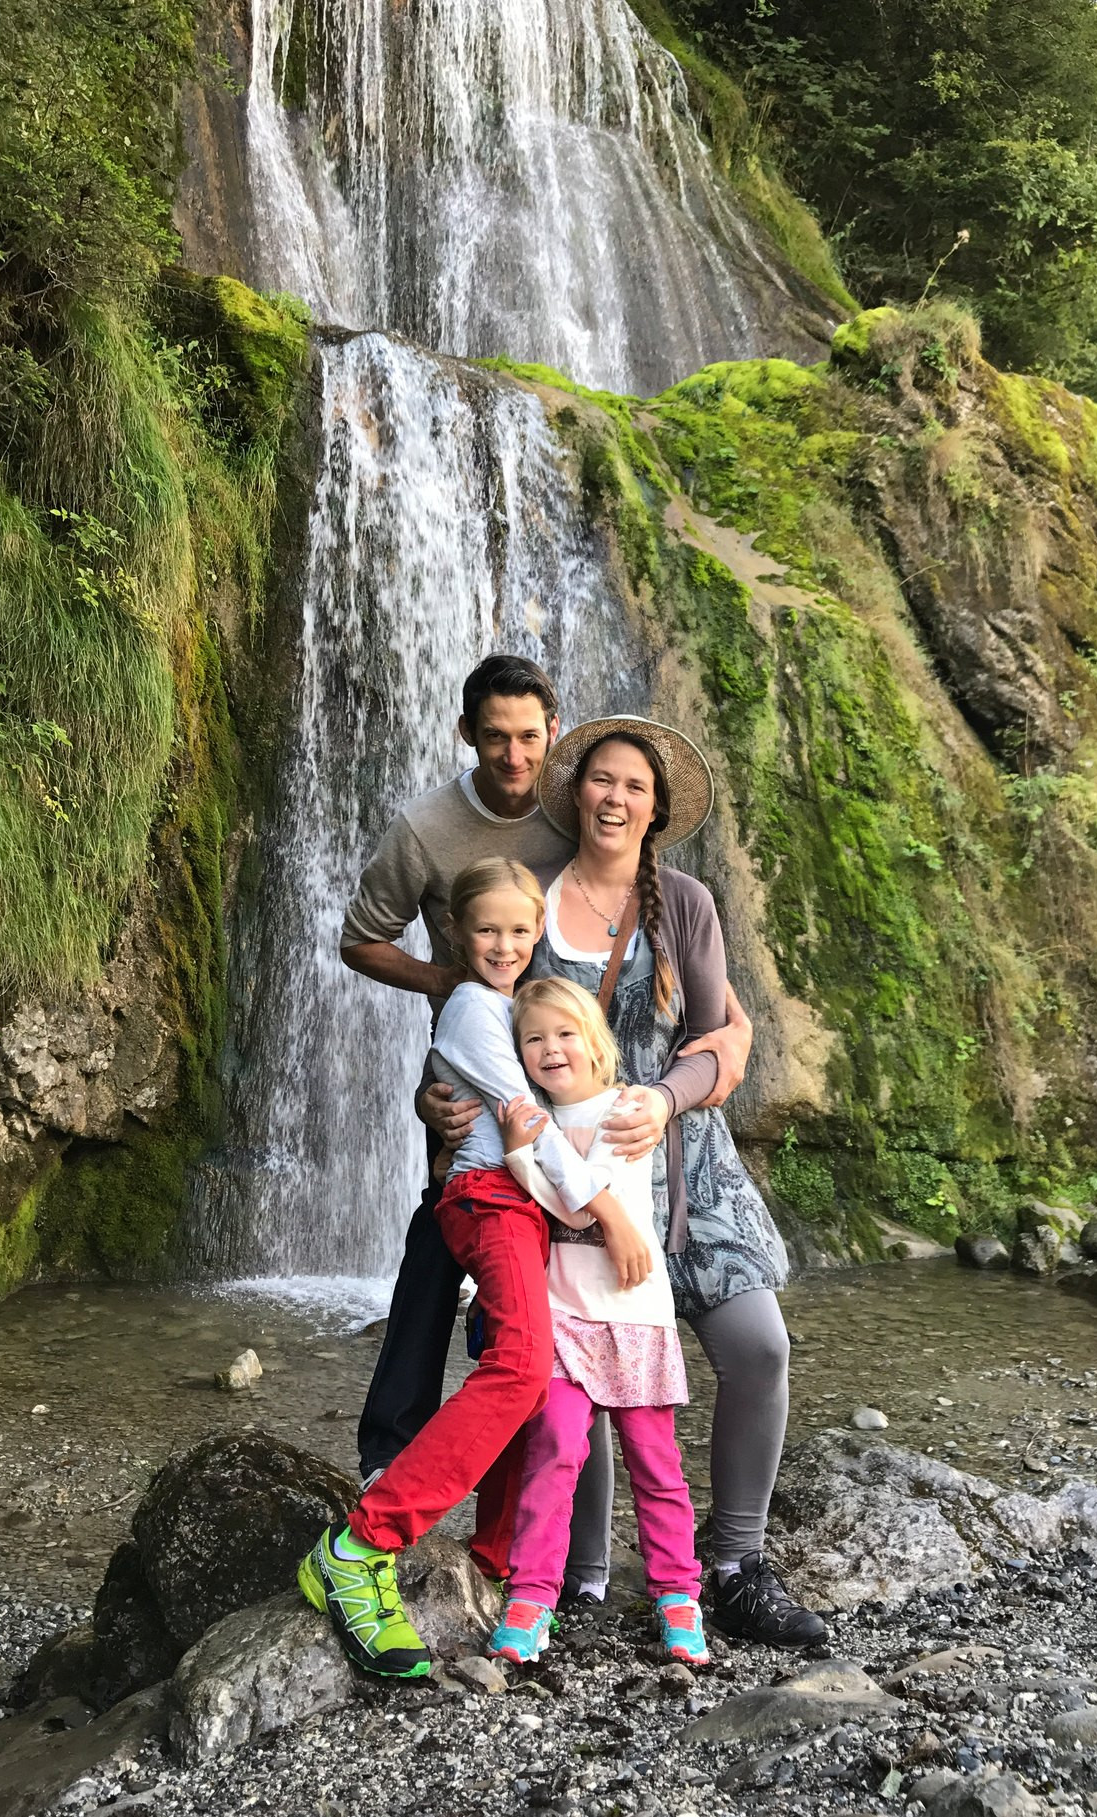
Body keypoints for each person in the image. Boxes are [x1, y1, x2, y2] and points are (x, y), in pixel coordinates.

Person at [342, 655, 751, 1485]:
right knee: (437, 1253)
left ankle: (528, 1506)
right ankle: (388, 1458)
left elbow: (658, 927)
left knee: (524, 1310)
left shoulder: (578, 822)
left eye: (530, 737)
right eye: (496, 737)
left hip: (568, 1101)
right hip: (478, 1083)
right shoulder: (425, 829)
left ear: (553, 738)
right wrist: (443, 986)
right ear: (467, 735)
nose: (514, 756)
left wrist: (720, 1047)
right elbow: (359, 939)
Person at [302, 859, 653, 1679]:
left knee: (533, 1369)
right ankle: (360, 1546)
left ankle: (495, 1563)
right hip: (489, 1198)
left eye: (519, 930)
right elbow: (523, 1117)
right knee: (522, 1367)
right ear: (457, 935)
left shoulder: (513, 1010)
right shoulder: (468, 1006)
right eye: (486, 930)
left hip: (524, 1202)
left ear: (539, 934)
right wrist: (609, 1214)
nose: (503, 944)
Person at [531, 716, 828, 1649]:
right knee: (580, 1372)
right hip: (574, 1177)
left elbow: (716, 1042)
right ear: (578, 789)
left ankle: (734, 1561)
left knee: (760, 1347)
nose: (616, 798)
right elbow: (501, 1046)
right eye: (603, 780)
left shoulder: (685, 904)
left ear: (655, 812)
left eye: (636, 788)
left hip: (685, 1164)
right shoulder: (530, 899)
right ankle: (580, 1580)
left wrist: (663, 1098)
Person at [488, 976, 710, 1670]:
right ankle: (531, 1598)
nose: (552, 1049)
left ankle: (678, 1595)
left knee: (656, 1464)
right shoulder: (531, 1120)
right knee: (553, 1449)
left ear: (595, 1043)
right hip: (563, 1318)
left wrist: (523, 1153)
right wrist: (523, 1147)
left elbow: (582, 1202)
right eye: (534, 1039)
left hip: (633, 1316)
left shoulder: (625, 1111)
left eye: (565, 1034)